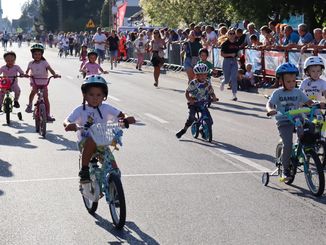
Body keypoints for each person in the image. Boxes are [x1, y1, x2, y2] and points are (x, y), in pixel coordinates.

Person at [63, 75, 135, 183]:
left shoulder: (106, 107)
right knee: (91, 140)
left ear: (104, 96)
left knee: (115, 170)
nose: (95, 98)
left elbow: (121, 114)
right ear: (85, 95)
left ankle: (113, 192)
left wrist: (126, 118)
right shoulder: (80, 109)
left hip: (102, 143)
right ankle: (84, 171)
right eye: (91, 94)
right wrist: (70, 125)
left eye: (99, 95)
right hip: (85, 142)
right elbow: (66, 121)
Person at [266, 63, 320, 181]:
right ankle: (285, 169)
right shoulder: (278, 93)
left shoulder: (297, 91)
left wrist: (315, 104)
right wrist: (270, 110)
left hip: (297, 118)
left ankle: (309, 148)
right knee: (288, 145)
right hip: (284, 121)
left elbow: (308, 102)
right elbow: (269, 103)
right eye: (288, 81)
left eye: (293, 81)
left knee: (312, 127)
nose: (292, 84)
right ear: (281, 81)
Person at [175, 63, 218, 139]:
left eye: (204, 74)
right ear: (196, 75)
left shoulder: (207, 83)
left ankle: (202, 129)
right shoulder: (193, 83)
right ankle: (184, 130)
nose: (202, 76)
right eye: (200, 75)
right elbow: (187, 92)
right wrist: (190, 99)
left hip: (203, 103)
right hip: (194, 103)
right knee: (191, 117)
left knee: (210, 120)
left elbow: (211, 92)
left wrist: (214, 97)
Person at [25, 44, 60, 121]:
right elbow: (27, 71)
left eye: (39, 54)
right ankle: (30, 105)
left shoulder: (44, 62)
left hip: (44, 82)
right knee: (33, 92)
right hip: (34, 81)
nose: (37, 56)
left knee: (45, 97)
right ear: (32, 55)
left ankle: (47, 114)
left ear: (42, 55)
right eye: (35, 54)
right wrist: (26, 75)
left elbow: (50, 69)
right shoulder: (31, 63)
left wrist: (54, 75)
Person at [220, 29, 241, 101]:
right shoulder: (225, 43)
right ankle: (223, 82)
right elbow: (222, 54)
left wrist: (239, 55)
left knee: (234, 78)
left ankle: (234, 95)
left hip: (234, 61)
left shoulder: (237, 43)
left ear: (235, 35)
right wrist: (230, 54)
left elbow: (238, 52)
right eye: (230, 34)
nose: (232, 35)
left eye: (233, 34)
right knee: (227, 80)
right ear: (228, 35)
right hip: (226, 61)